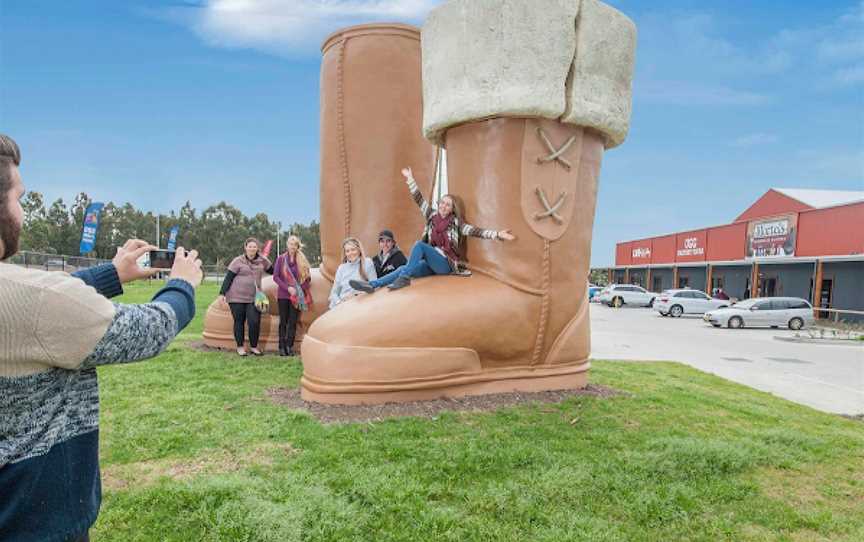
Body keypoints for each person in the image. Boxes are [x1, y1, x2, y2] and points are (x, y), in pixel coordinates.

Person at [0, 134, 202, 542]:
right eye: (18, 198)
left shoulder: (29, 298)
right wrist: (182, 285)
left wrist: (111, 273)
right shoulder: (35, 301)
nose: (22, 212)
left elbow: (39, 295)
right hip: (36, 522)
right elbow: (149, 330)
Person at [351, 167, 515, 293]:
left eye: (448, 204)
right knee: (403, 268)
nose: (443, 206)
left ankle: (404, 278)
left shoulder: (456, 223)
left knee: (419, 246)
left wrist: (498, 234)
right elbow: (419, 200)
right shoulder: (431, 216)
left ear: (452, 209)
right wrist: (410, 179)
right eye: (442, 202)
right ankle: (372, 285)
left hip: (445, 264)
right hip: (430, 264)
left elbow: (476, 231)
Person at [219, 238, 273, 356]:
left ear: (257, 248)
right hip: (236, 297)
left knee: (254, 321)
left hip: (255, 297)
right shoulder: (237, 261)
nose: (252, 248)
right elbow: (229, 278)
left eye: (254, 247)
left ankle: (254, 347)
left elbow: (273, 271)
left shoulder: (262, 260)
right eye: (250, 246)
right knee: (239, 321)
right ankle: (240, 347)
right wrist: (222, 293)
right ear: (245, 247)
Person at [272, 235, 313, 356]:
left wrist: (299, 289)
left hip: (297, 296)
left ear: (297, 246)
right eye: (290, 243)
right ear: (287, 244)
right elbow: (276, 277)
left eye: (295, 244)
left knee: (293, 321)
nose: (292, 246)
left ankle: (289, 346)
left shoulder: (302, 259)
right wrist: (288, 288)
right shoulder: (281, 259)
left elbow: (307, 278)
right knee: (283, 321)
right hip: (283, 295)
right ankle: (281, 346)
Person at [328, 237, 377, 309]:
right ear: (345, 254)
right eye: (347, 251)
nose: (350, 253)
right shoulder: (341, 268)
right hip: (341, 305)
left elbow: (375, 286)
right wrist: (340, 303)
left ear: (359, 250)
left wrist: (356, 295)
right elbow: (334, 293)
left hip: (360, 304)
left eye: (353, 249)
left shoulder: (367, 262)